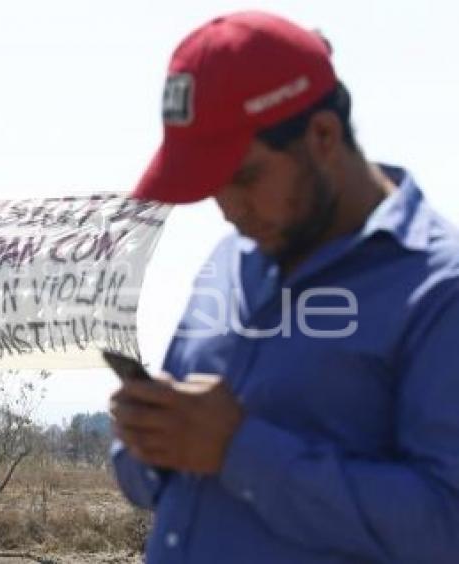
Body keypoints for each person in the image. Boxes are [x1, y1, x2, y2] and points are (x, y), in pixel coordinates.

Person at [110, 10, 459, 563]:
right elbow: (156, 482)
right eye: (211, 187)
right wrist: (146, 441)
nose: (228, 211)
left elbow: (446, 526)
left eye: (244, 178)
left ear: (323, 135)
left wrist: (239, 450)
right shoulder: (231, 261)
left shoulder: (438, 290)